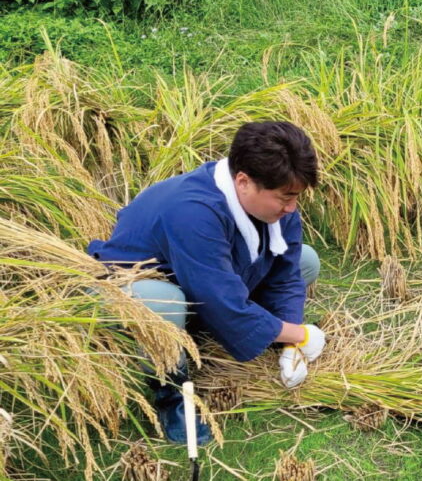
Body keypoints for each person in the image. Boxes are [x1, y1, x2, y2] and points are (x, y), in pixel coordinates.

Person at [88, 121, 326, 445]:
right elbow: (219, 300)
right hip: (130, 288)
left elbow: (285, 273)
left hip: (197, 283)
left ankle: (229, 329)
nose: (292, 207)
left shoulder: (277, 199)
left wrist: (289, 340)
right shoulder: (193, 211)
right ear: (243, 181)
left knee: (305, 261)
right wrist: (302, 334)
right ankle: (171, 394)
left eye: (296, 197)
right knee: (162, 301)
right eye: (285, 197)